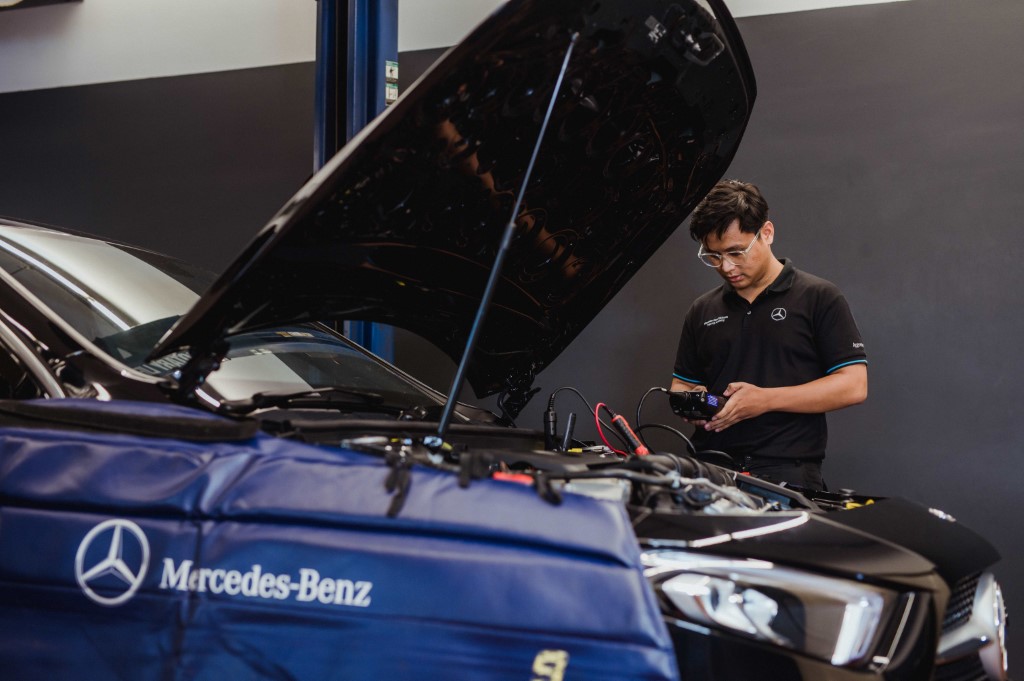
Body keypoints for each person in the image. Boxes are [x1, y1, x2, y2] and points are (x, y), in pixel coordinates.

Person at [670, 180, 867, 489]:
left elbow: (854, 385)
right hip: (709, 471)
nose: (726, 266)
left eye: (736, 252)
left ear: (766, 233)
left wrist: (765, 400)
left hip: (788, 473)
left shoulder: (818, 297)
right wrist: (696, 401)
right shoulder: (702, 309)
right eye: (714, 256)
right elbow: (682, 383)